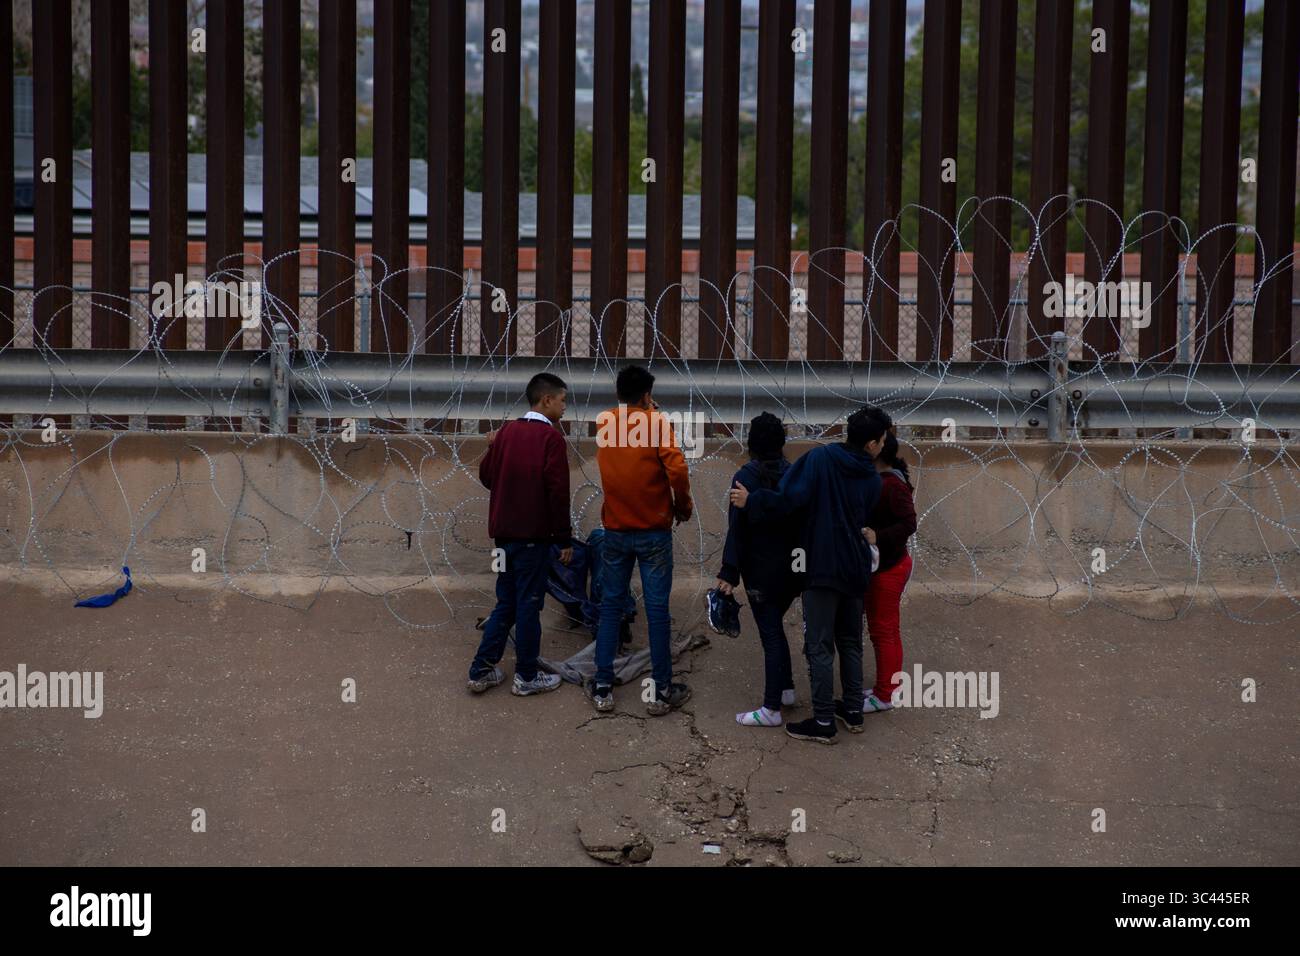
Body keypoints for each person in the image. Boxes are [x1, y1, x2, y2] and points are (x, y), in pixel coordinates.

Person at [730, 406, 891, 744]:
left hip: (820, 566)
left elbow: (789, 499)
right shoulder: (872, 478)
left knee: (818, 645)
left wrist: (753, 501)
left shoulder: (820, 460)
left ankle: (822, 721)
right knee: (850, 641)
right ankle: (852, 710)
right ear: (872, 445)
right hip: (855, 567)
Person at [587, 364, 694, 715]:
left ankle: (602, 687)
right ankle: (661, 690)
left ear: (618, 394)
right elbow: (676, 469)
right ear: (648, 395)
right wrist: (682, 506)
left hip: (616, 529)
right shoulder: (656, 424)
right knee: (658, 609)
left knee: (611, 606)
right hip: (654, 530)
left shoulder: (605, 422)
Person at [467, 372, 572, 697]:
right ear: (546, 400)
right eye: (563, 400)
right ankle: (526, 676)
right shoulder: (550, 439)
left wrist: (492, 447)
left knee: (506, 602)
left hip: (503, 539)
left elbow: (487, 477)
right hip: (532, 539)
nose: (565, 407)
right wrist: (563, 538)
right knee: (528, 604)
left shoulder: (507, 432)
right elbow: (558, 491)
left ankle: (481, 670)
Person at [715, 412, 804, 727]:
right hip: (793, 569)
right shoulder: (795, 474)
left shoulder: (745, 478)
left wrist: (729, 571)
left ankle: (771, 709)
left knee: (770, 634)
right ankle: (787, 688)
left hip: (761, 571)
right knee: (776, 627)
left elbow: (736, 528)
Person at [861, 428, 918, 713]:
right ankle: (887, 686)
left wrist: (877, 537)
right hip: (888, 565)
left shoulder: (891, 485)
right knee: (885, 630)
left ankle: (885, 695)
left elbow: (909, 523)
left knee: (883, 631)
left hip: (889, 568)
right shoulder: (886, 480)